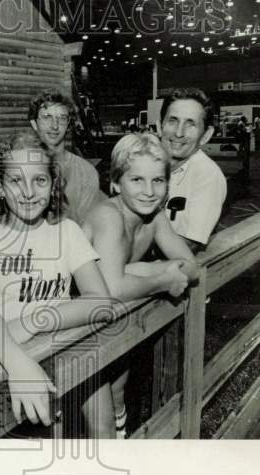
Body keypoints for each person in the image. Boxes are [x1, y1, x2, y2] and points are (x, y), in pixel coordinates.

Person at [0, 131, 121, 430]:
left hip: (54, 350)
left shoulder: (67, 232)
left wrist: (34, 321)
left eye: (39, 180)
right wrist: (17, 363)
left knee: (95, 427)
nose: (28, 192)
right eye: (16, 180)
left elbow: (100, 303)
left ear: (53, 185)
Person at [81, 133, 199, 437]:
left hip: (112, 322)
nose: (149, 191)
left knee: (118, 393)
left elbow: (192, 267)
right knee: (100, 423)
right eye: (137, 180)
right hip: (74, 326)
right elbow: (113, 289)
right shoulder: (109, 216)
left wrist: (135, 269)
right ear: (117, 183)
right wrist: (160, 275)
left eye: (157, 181)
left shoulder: (156, 217)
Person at [158, 92, 227, 252]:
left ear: (206, 135)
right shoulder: (147, 163)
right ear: (159, 126)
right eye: (173, 121)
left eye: (191, 124)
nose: (179, 133)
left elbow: (188, 245)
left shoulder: (208, 175)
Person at [28, 91, 103, 225]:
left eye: (62, 118)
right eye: (46, 117)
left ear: (69, 124)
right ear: (34, 123)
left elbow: (87, 230)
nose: (55, 126)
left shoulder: (86, 172)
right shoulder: (22, 167)